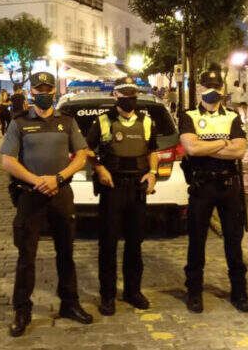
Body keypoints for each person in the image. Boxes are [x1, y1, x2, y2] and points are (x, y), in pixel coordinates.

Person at [0, 72, 93, 337]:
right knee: (26, 256)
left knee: (66, 252)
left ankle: (69, 303)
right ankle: (22, 310)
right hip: (30, 196)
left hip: (61, 193)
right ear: (31, 92)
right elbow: (8, 160)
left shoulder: (66, 121)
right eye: (38, 89)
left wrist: (59, 178)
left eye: (47, 89)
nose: (43, 93)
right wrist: (37, 180)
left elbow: (82, 155)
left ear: (54, 92)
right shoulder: (19, 123)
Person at [179, 68, 248, 314]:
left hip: (229, 185)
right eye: (207, 85)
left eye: (216, 85)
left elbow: (240, 151)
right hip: (201, 186)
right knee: (196, 241)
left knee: (233, 240)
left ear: (222, 88)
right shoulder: (188, 116)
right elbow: (191, 149)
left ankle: (239, 292)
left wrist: (205, 145)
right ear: (200, 88)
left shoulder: (231, 116)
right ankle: (194, 292)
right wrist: (223, 142)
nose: (212, 90)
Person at [86, 77, 159, 316]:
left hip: (137, 188)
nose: (129, 98)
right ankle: (107, 295)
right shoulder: (103, 121)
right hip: (112, 188)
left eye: (132, 93)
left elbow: (153, 151)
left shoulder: (147, 121)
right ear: (115, 96)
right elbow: (87, 151)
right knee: (108, 244)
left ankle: (132, 291)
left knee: (135, 243)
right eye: (124, 93)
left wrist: (153, 173)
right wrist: (99, 168)